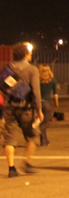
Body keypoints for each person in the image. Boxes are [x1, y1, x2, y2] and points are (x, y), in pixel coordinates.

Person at [2, 43, 42, 177]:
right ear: (25, 54)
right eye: (29, 53)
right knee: (33, 135)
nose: (31, 55)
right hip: (26, 108)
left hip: (9, 107)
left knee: (9, 138)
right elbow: (36, 91)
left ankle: (11, 168)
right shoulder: (32, 69)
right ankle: (27, 162)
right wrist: (39, 110)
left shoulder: (7, 68)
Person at [37, 64, 57, 147]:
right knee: (46, 122)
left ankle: (44, 141)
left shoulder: (38, 80)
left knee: (40, 121)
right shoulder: (52, 81)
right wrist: (56, 103)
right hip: (46, 103)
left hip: (38, 103)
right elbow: (55, 94)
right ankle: (42, 138)